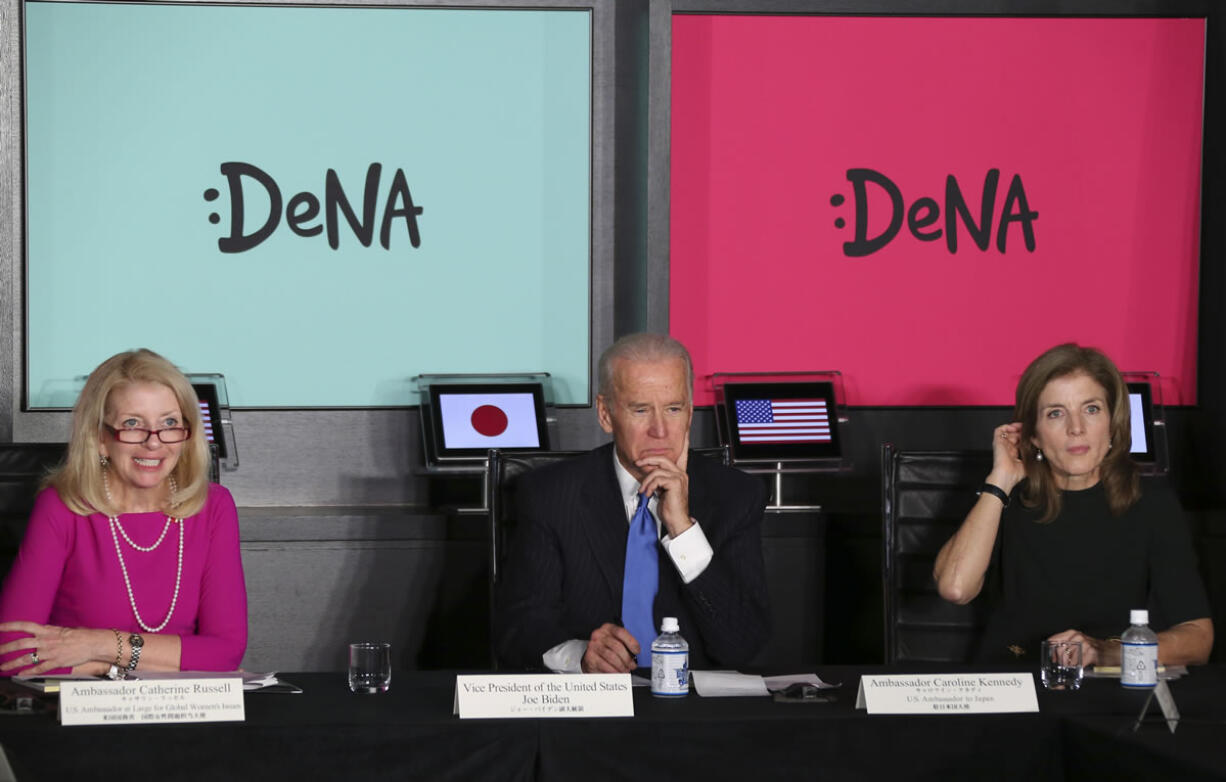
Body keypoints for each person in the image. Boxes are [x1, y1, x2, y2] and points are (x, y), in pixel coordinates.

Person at [495, 333, 770, 672]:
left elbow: (743, 647)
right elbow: (517, 628)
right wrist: (580, 656)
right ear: (606, 414)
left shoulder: (736, 497)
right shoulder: (550, 495)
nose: (659, 430)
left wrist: (683, 531)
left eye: (673, 409)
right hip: (592, 710)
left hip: (696, 713)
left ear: (689, 413)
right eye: (641, 410)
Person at [933, 343, 1213, 665]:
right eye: (1056, 413)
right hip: (1015, 687)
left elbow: (1198, 638)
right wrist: (1000, 481)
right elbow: (955, 588)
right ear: (1033, 434)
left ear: (1113, 424)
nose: (1076, 428)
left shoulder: (1152, 503)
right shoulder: (1005, 498)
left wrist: (1104, 652)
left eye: (1091, 409)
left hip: (1107, 689)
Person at [0, 349, 247, 677]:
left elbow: (226, 651)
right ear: (101, 438)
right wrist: (143, 662)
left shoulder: (214, 507)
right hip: (81, 715)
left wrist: (99, 647)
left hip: (181, 712)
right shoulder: (61, 507)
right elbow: (12, 652)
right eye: (132, 424)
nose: (154, 443)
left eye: (169, 423)